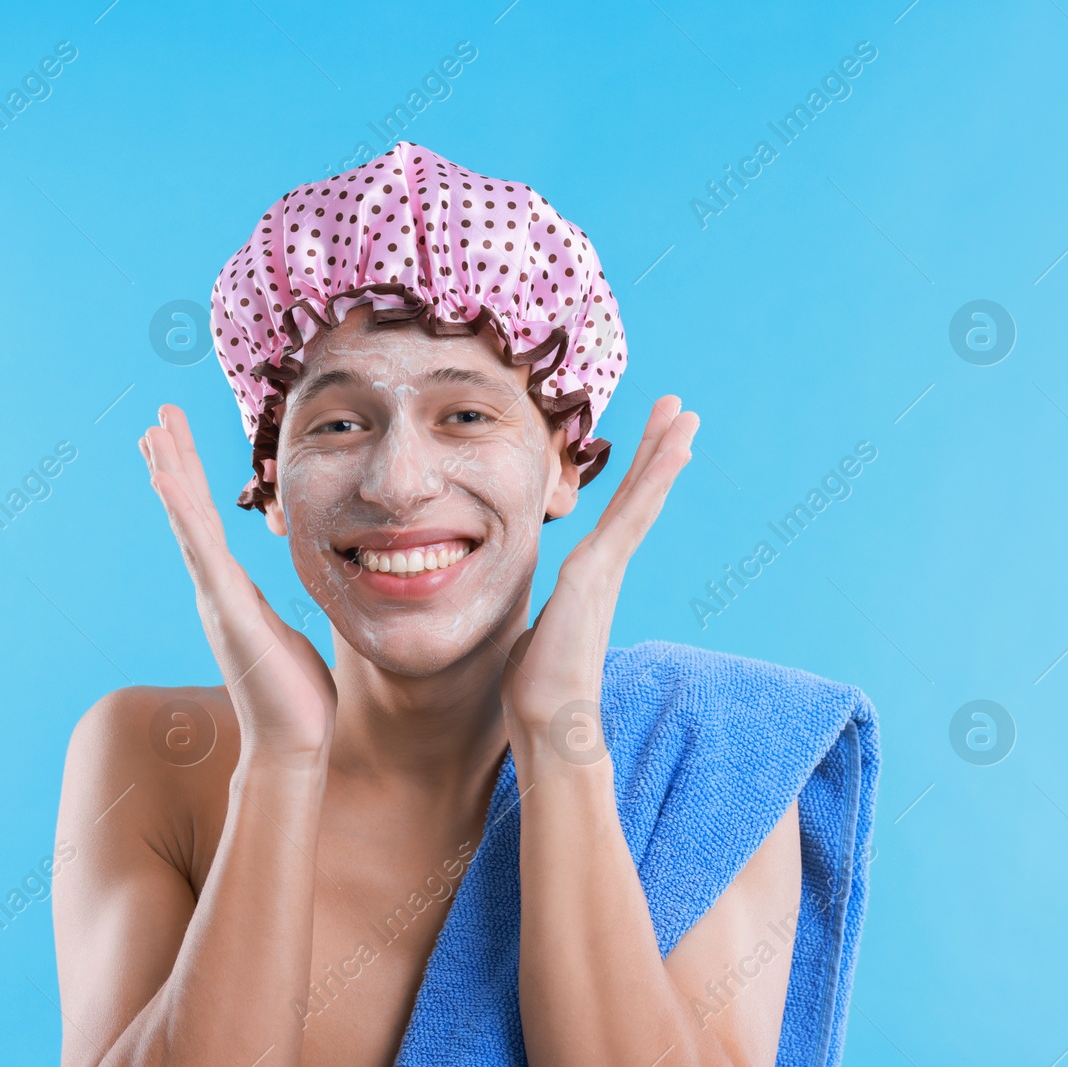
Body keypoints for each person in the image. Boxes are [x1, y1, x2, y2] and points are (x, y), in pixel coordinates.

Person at [53, 143, 876, 1067]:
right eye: (338, 422)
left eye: (467, 415)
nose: (399, 483)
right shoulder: (155, 760)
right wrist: (280, 762)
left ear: (564, 462)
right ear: (273, 483)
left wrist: (563, 747)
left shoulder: (703, 754)